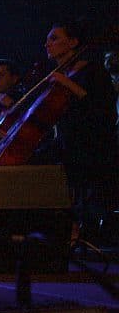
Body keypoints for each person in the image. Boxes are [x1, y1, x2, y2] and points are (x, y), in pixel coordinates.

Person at [41, 21, 118, 242]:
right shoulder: (60, 74)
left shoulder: (92, 70)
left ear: (73, 42)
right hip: (67, 142)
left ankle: (79, 228)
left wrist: (66, 83)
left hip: (90, 143)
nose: (47, 44)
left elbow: (101, 107)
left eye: (54, 38)